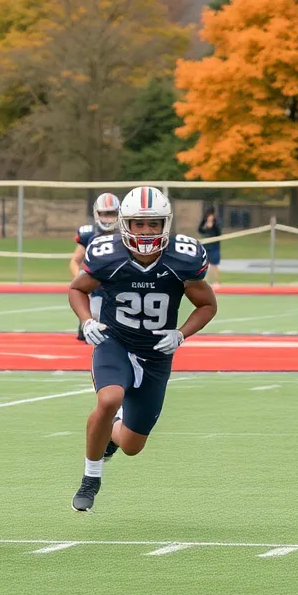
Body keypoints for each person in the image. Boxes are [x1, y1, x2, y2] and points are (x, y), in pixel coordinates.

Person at [69, 186, 218, 512]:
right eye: (139, 224)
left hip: (156, 352)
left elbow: (207, 305)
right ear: (126, 224)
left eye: (153, 224)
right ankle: (90, 478)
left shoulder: (183, 258)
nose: (147, 231)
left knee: (133, 446)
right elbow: (77, 290)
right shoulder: (108, 253)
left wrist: (181, 334)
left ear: (166, 223)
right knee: (109, 399)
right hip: (115, 341)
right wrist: (87, 320)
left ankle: (111, 436)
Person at [68, 193, 120, 342]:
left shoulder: (126, 233)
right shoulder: (89, 234)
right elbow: (75, 260)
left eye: (112, 214)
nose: (108, 218)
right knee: (93, 329)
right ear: (97, 214)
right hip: (96, 286)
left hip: (119, 284)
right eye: (104, 214)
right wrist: (80, 277)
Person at [197, 207, 222, 288]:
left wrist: (212, 225)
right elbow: (200, 230)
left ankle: (216, 282)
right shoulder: (204, 222)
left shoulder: (216, 223)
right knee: (205, 265)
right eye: (208, 216)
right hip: (206, 247)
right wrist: (206, 226)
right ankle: (205, 282)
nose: (210, 217)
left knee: (215, 265)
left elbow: (219, 232)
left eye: (211, 216)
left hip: (214, 247)